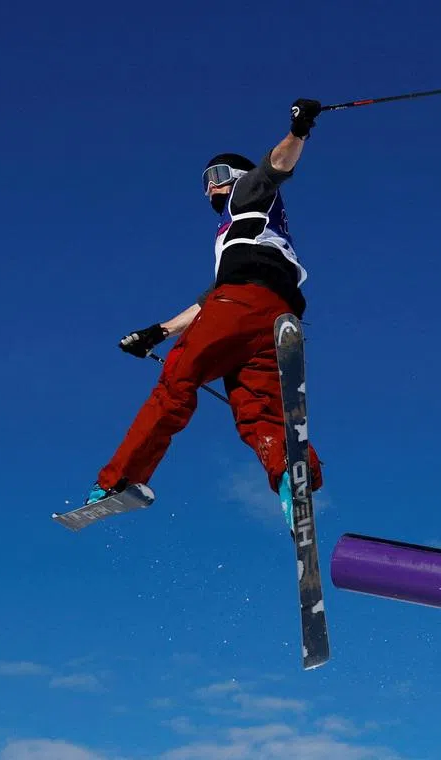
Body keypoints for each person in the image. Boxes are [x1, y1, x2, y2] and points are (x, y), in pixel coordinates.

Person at [84, 97, 325, 531]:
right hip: (273, 315)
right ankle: (293, 476)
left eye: (215, 176)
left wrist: (298, 131)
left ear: (234, 177)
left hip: (241, 304)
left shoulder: (248, 191)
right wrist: (155, 333)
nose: (208, 187)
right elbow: (207, 303)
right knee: (259, 412)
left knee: (176, 383)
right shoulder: (248, 233)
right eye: (204, 180)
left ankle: (120, 481)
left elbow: (277, 165)